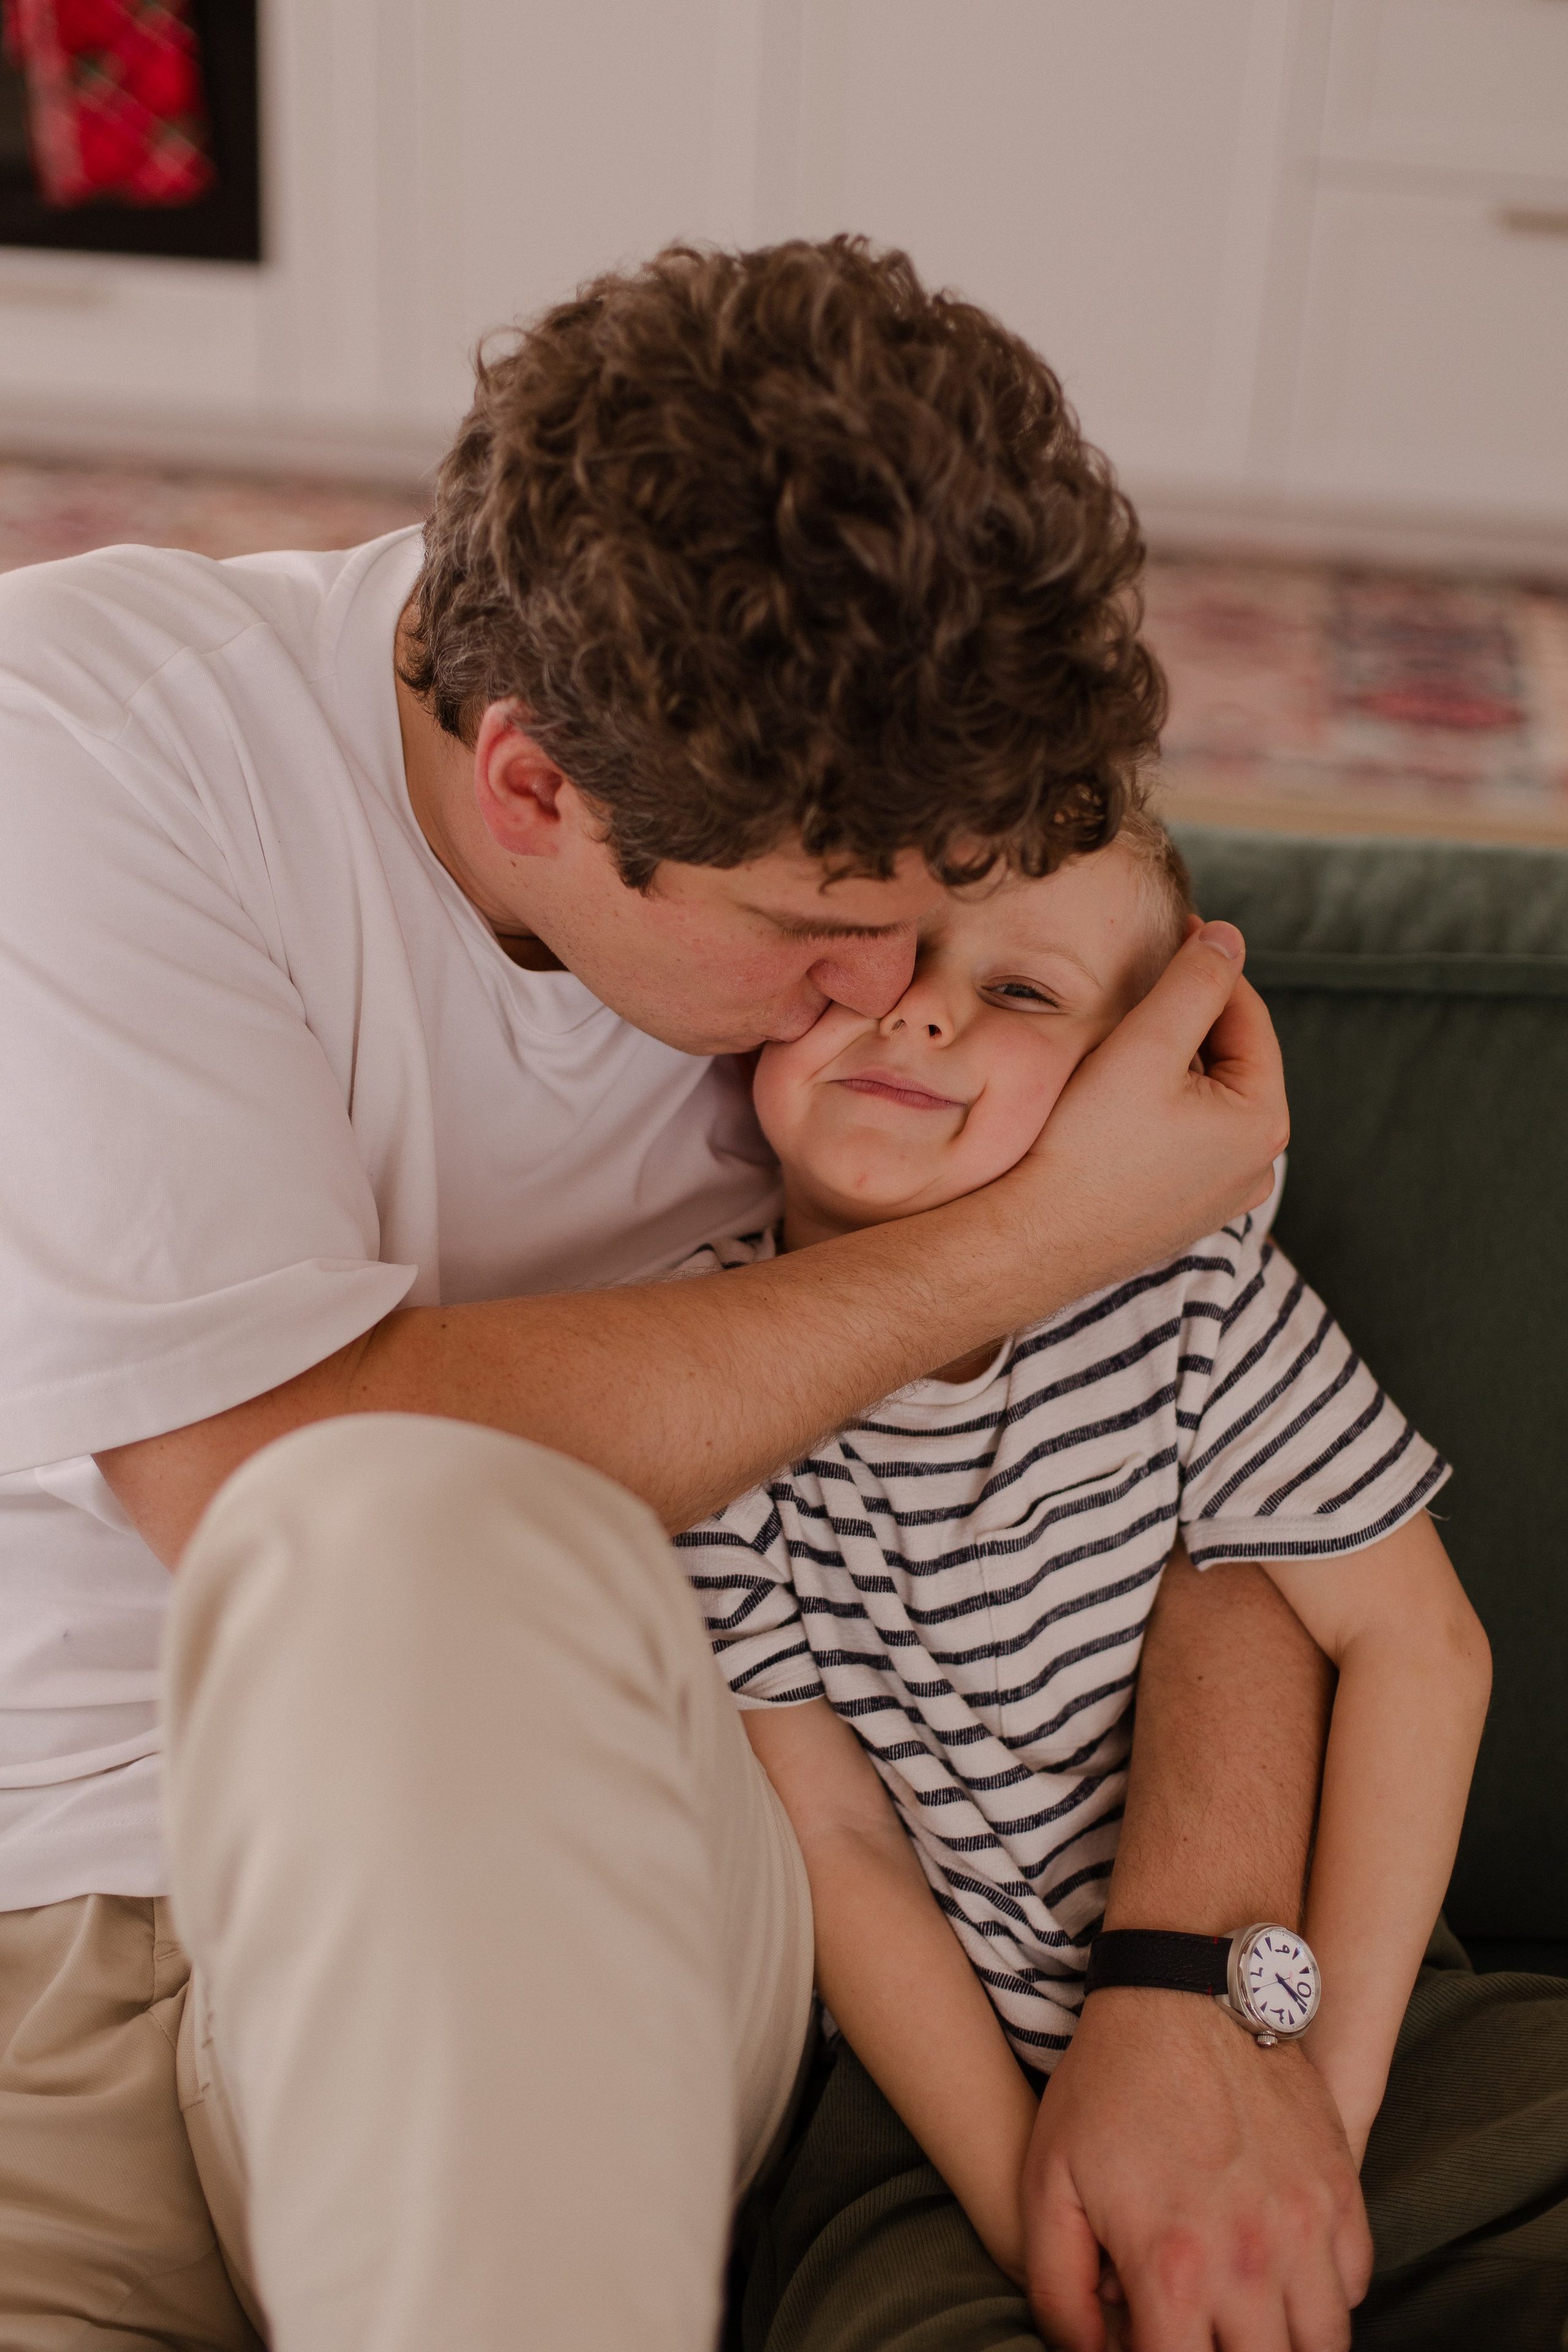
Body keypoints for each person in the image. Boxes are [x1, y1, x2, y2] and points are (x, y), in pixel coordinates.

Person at [0, 233, 1456, 2350]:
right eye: (814, 929)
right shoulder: (96, 747)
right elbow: (258, 1482)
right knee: (360, 1508)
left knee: (405, 1540)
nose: (889, 995)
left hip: (612, 1898)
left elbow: (1194, 1470)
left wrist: (1192, 1985)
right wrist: (1038, 1233)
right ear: (533, 786)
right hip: (57, 1946)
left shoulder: (904, 890)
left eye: (941, 914)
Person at [674, 814, 1491, 2324]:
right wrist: (1027, 2205)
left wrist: (1320, 2107)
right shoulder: (696, 1380)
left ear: (1131, 1080)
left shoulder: (1191, 1294)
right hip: (937, 2104)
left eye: (1019, 991)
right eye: (885, 952)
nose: (922, 1011)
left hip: (1335, 1996)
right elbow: (837, 1842)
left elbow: (1420, 1652)